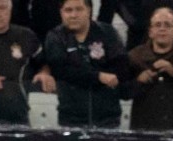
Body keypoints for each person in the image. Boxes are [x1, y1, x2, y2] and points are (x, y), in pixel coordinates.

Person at [44, 0, 128, 128]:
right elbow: (62, 70)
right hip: (71, 118)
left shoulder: (108, 32)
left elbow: (121, 66)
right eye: (68, 10)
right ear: (61, 12)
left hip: (107, 118)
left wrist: (89, 74)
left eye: (79, 9)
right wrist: (98, 76)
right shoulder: (55, 37)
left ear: (89, 10)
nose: (73, 15)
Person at [0, 0, 53, 124]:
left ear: (10, 11)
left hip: (21, 115)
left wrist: (44, 74)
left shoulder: (27, 35)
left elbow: (43, 64)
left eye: (2, 8)